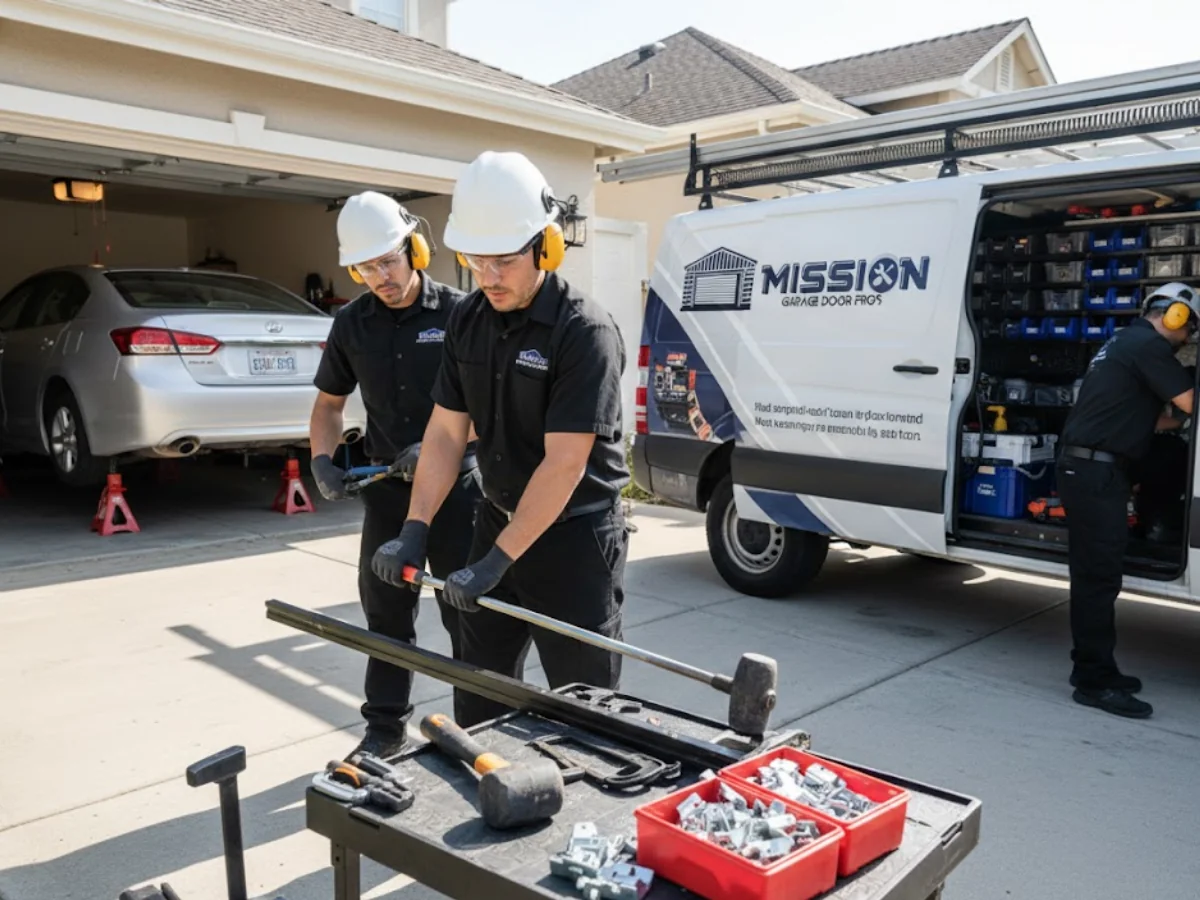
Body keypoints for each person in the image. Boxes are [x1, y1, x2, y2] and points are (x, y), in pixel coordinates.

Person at [371, 150, 631, 728]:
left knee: (585, 711)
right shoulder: (469, 319)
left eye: (504, 262)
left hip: (575, 540)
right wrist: (415, 529)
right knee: (480, 693)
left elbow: (565, 465)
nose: (487, 277)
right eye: (475, 261)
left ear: (546, 246)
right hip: (494, 522)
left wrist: (495, 564)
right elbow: (444, 432)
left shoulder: (583, 332)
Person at [308, 191, 481, 759]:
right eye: (365, 267)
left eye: (387, 260)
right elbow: (330, 405)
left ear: (414, 248)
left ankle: (480, 731)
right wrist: (322, 460)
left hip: (458, 493)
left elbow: (495, 412)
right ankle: (384, 730)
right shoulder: (351, 325)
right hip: (388, 494)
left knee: (467, 616)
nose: (379, 276)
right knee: (385, 618)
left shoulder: (461, 314)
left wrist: (436, 448)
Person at [1056, 282, 1197, 719]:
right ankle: (1094, 682)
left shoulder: (1124, 341)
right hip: (1094, 471)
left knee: (1098, 574)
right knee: (1097, 578)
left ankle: (1098, 670)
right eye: (1191, 330)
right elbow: (1191, 402)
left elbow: (1153, 416)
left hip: (1092, 468)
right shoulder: (1149, 346)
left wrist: (1172, 425)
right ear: (1175, 317)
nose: (1189, 340)